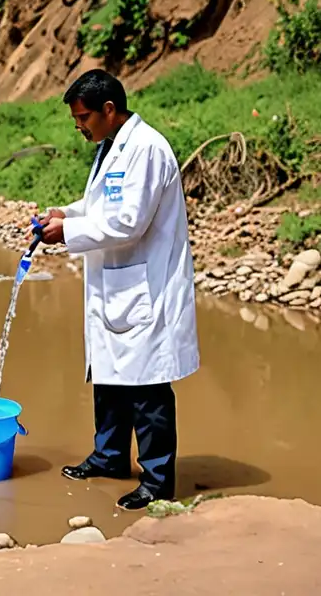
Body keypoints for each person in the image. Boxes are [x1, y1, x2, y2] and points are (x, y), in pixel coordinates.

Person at [33, 69, 200, 511]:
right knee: (108, 377)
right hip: (117, 284)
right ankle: (108, 457)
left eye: (84, 117)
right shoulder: (112, 147)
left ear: (109, 110)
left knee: (147, 388)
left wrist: (66, 231)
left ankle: (157, 480)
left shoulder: (146, 149)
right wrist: (63, 213)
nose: (79, 126)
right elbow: (99, 207)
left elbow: (129, 221)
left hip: (146, 285)